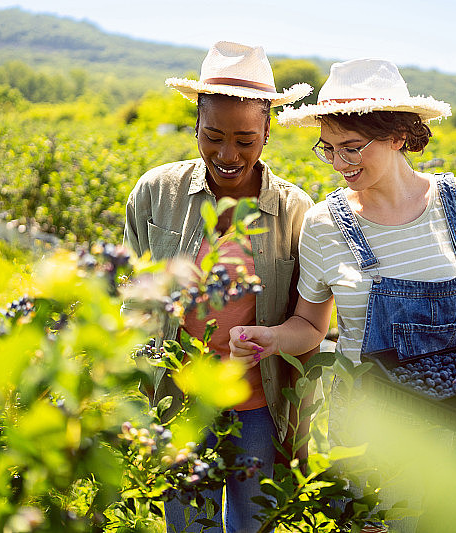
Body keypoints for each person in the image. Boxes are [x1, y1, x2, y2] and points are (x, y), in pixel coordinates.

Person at [229, 58, 456, 531]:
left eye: (353, 148)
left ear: (398, 136)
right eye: (329, 149)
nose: (341, 163)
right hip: (374, 432)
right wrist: (272, 339)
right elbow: (311, 326)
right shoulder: (324, 224)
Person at [123, 41, 314, 533]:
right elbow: (134, 295)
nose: (227, 155)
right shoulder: (155, 194)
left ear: (268, 131)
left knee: (254, 524)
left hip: (256, 407)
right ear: (196, 125)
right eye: (213, 136)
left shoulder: (294, 212)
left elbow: (308, 321)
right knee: (187, 525)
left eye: (245, 140)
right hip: (179, 402)